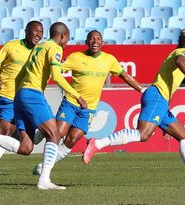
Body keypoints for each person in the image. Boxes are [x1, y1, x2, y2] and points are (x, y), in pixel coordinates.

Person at [0, 22, 86, 190]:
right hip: (32, 94)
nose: (66, 43)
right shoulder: (55, 48)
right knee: (54, 135)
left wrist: (19, 95)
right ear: (62, 36)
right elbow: (58, 77)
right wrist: (77, 96)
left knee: (26, 147)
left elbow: (22, 73)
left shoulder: (39, 47)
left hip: (20, 94)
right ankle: (44, 180)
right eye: (67, 39)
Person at [83, 35, 185, 185]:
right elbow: (180, 61)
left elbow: (169, 87)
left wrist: (164, 121)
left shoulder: (179, 57)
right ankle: (98, 143)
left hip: (161, 101)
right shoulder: (182, 53)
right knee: (143, 134)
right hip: (157, 96)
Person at [32, 30, 145, 175]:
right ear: (86, 42)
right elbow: (56, 69)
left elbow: (125, 76)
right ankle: (46, 132)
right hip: (71, 102)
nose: (95, 41)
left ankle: (43, 167)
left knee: (71, 141)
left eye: (98, 39)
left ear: (102, 42)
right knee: (58, 133)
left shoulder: (109, 59)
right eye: (91, 39)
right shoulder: (75, 57)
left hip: (89, 109)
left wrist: (142, 90)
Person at [0, 21, 43, 180]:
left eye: (41, 32)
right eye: (36, 31)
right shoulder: (11, 46)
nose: (39, 34)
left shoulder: (40, 52)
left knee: (4, 131)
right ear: (26, 31)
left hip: (14, 99)